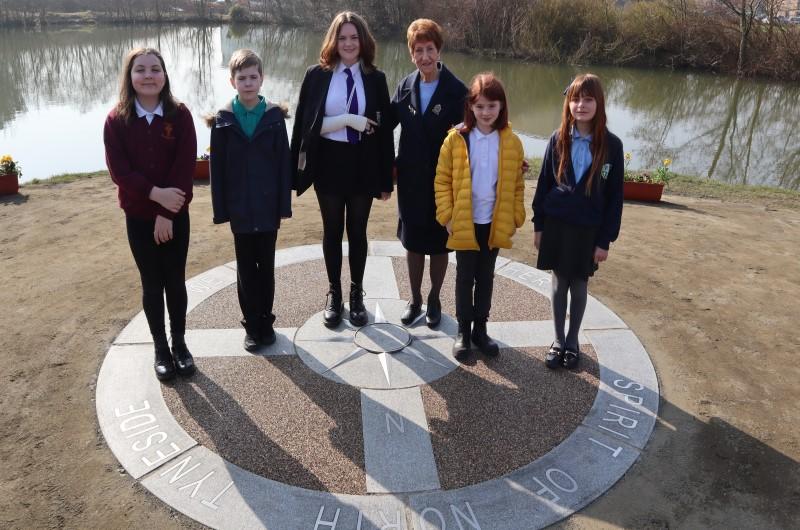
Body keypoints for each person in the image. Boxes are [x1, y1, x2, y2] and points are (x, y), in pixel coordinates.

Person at [291, 11, 394, 328]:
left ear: (363, 41)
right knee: (332, 230)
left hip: (363, 164)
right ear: (333, 41)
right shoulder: (317, 74)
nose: (348, 43)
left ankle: (356, 293)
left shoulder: (375, 78)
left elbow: (386, 130)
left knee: (358, 232)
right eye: (342, 37)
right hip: (328, 163)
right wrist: (349, 120)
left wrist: (387, 177)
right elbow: (306, 126)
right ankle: (334, 293)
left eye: (354, 37)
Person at [103, 47, 197, 381]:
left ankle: (180, 345)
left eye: (155, 69)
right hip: (139, 217)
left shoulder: (180, 115)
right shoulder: (116, 120)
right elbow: (120, 172)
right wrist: (155, 196)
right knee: (152, 283)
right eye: (140, 70)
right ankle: (160, 348)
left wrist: (168, 213)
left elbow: (185, 166)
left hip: (175, 215)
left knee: (175, 281)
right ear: (130, 77)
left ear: (165, 74)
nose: (148, 75)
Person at [532, 73, 624, 370]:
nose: (581, 105)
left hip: (588, 229)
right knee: (559, 282)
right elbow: (544, 183)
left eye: (587, 99)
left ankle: (573, 342)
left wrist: (604, 240)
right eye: (575, 99)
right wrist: (539, 225)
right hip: (557, 224)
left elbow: (614, 198)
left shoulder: (612, 145)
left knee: (579, 284)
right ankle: (558, 340)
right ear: (567, 103)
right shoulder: (557, 139)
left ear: (598, 103)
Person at [434, 72, 525, 360]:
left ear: (501, 107)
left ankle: (480, 330)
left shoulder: (510, 141)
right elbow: (442, 180)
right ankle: (463, 330)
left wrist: (515, 217)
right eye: (480, 106)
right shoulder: (456, 139)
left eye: (492, 106)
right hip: (464, 221)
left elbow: (517, 184)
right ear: (470, 107)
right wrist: (447, 216)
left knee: (486, 277)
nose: (486, 112)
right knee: (464, 277)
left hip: (494, 221)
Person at [209, 49, 292, 352]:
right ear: (232, 81)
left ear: (262, 78)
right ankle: (250, 324)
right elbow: (216, 171)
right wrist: (221, 210)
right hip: (240, 210)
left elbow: (283, 163)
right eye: (241, 77)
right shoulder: (223, 120)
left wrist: (284, 205)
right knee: (245, 270)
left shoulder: (273, 116)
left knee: (266, 266)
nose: (248, 82)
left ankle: (266, 322)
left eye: (253, 77)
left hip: (268, 207)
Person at [387, 18, 467, 329]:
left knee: (438, 244)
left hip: (442, 182)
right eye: (418, 50)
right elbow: (386, 127)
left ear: (439, 50)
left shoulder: (457, 91)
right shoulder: (405, 86)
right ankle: (415, 298)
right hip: (410, 180)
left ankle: (434, 298)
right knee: (413, 242)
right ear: (411, 54)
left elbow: (474, 134)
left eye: (429, 49)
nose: (424, 57)